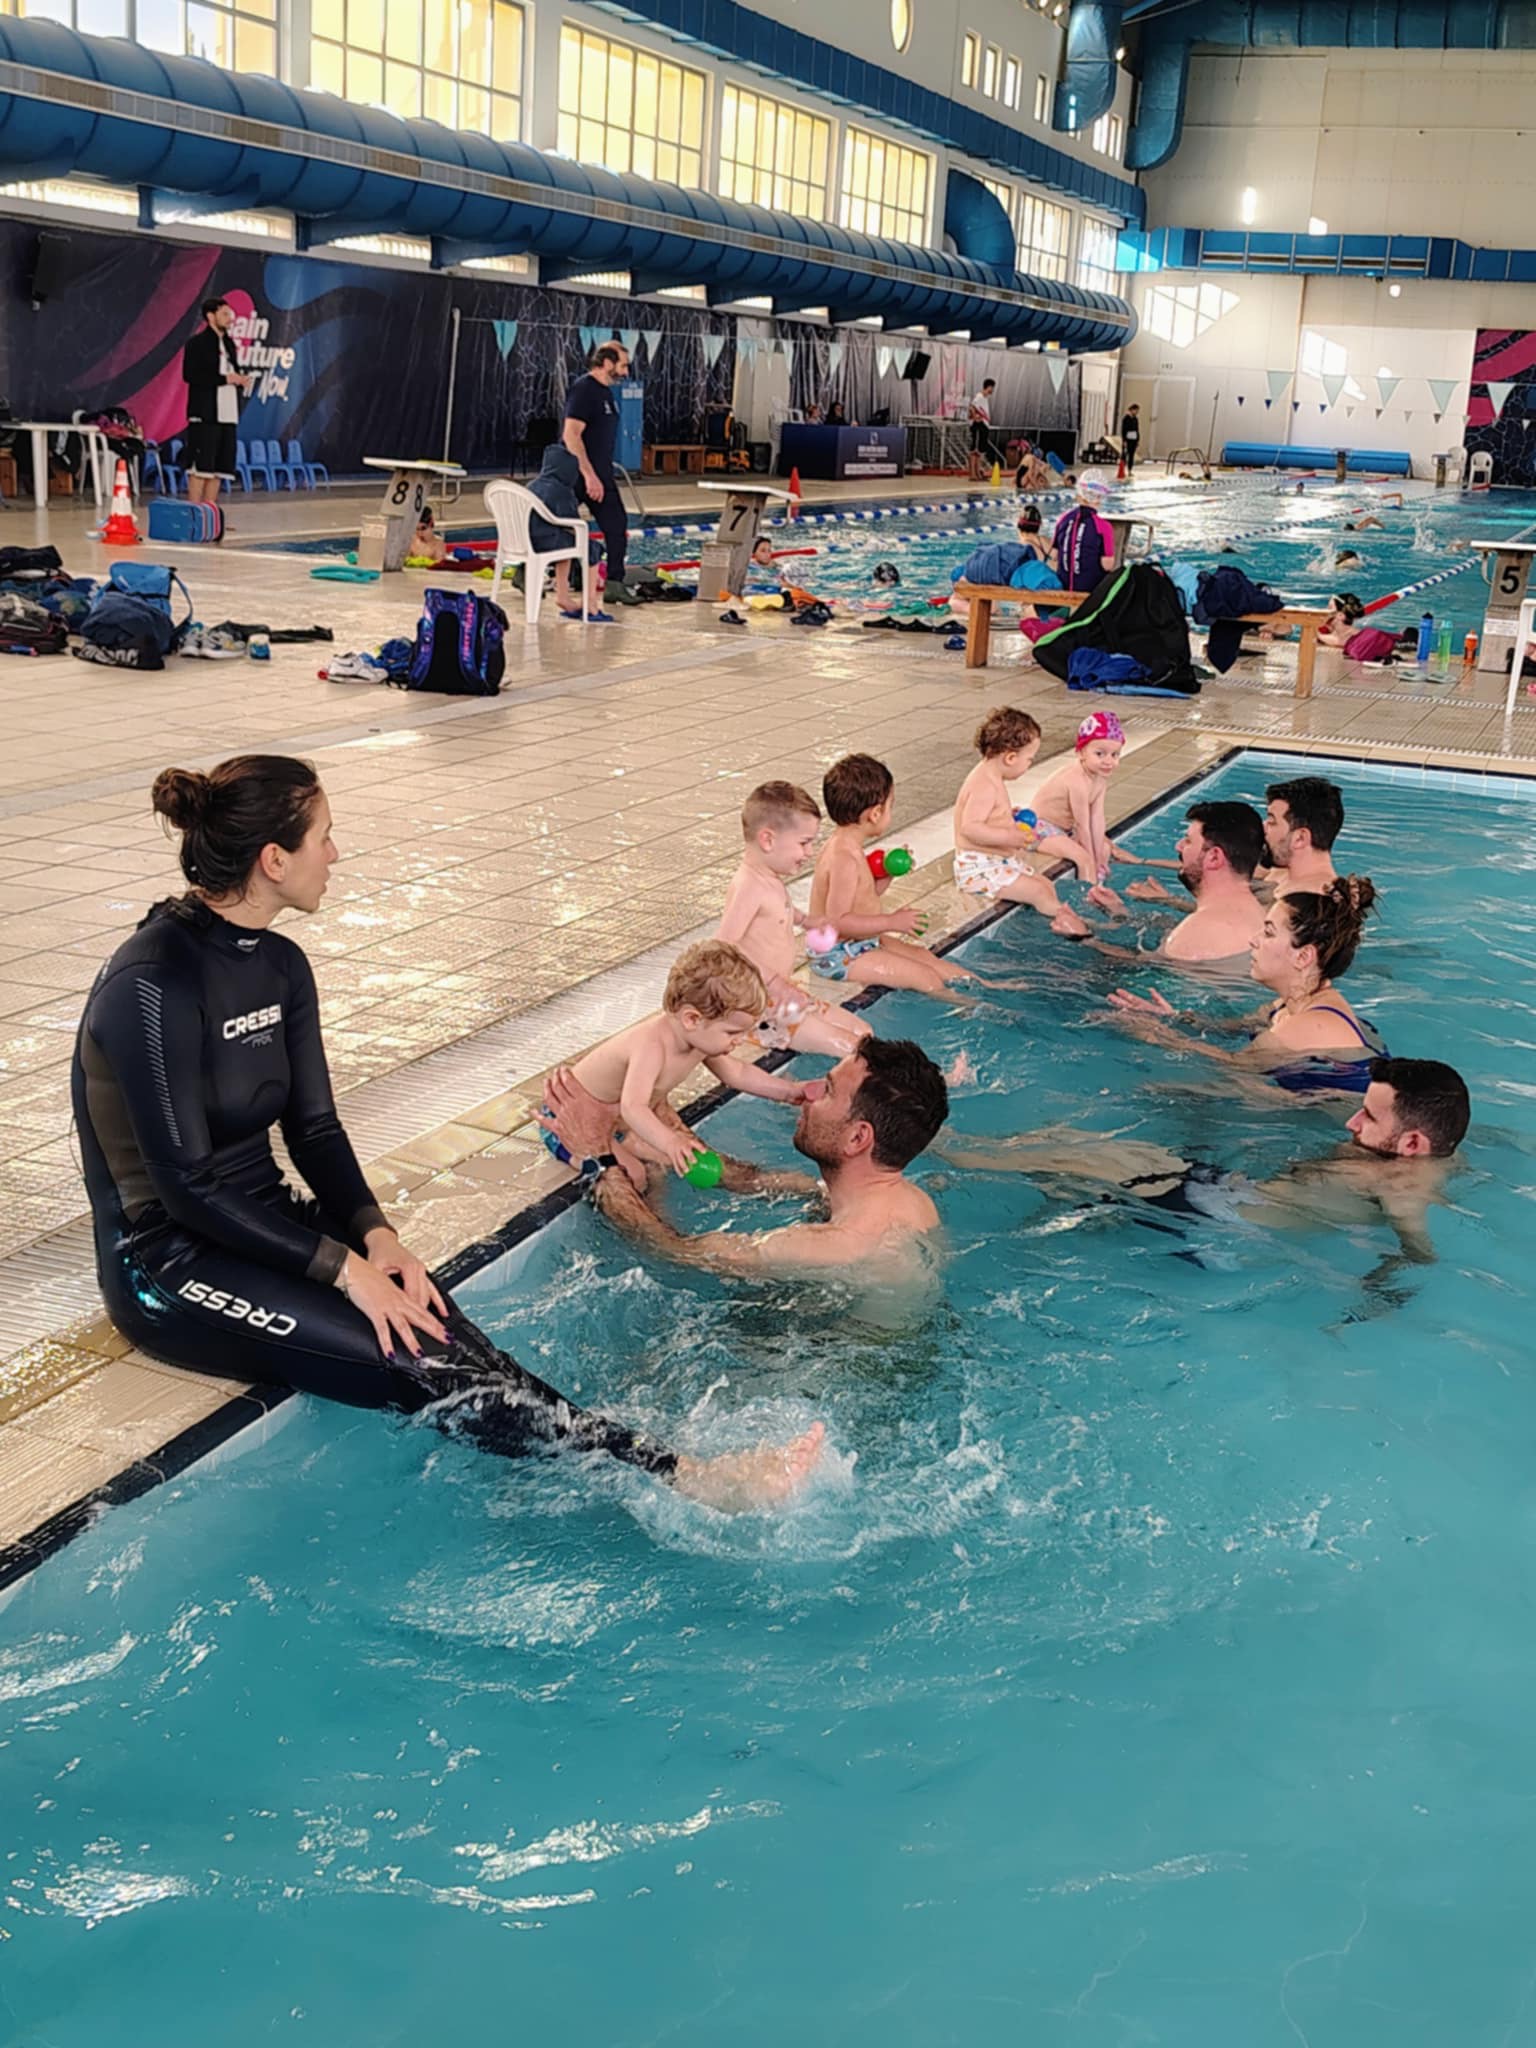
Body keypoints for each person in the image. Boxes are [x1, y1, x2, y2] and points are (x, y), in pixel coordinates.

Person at [72, 754, 823, 1514]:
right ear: (274, 860)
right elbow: (187, 1187)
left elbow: (315, 1129)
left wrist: (377, 1236)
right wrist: (343, 1268)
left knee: (440, 1324)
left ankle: (624, 1463)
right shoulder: (152, 983)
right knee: (412, 1360)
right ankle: (682, 1476)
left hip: (265, 1222)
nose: (335, 853)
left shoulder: (280, 966)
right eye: (324, 837)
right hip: (169, 1261)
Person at [938, 1057, 1470, 1267]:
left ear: (1412, 1144)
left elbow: (1419, 1252)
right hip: (1217, 1189)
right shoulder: (1426, 1157)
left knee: (1060, 1154)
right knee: (1063, 1144)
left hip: (1215, 1219)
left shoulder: (1403, 1184)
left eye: (1368, 1117)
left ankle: (935, 1143)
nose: (1351, 1122)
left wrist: (1366, 1301)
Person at [545, 1038, 948, 1287]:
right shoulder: (907, 1202)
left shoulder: (820, 1246)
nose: (808, 1096)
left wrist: (598, 1158)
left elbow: (673, 1252)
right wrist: (674, 1134)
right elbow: (754, 1180)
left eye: (826, 1092)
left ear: (858, 1138)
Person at [538, 940, 821, 1190]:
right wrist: (670, 1141)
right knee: (635, 1175)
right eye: (732, 1032)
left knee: (665, 1165)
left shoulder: (699, 1039)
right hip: (567, 1119)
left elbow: (738, 1073)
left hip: (618, 1123)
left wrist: (789, 1091)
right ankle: (579, 1158)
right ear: (692, 1018)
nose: (740, 1040)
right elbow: (633, 1107)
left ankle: (626, 1142)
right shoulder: (651, 1047)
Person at [1108, 876, 1387, 1094]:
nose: (1254, 940)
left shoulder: (1305, 1027)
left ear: (1303, 956)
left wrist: (1156, 1035)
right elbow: (1228, 1029)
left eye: (1268, 933)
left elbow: (1232, 1066)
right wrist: (1172, 1018)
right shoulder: (1285, 1007)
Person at [716, 780, 870, 1058]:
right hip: (760, 1007)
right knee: (854, 1049)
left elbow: (782, 910)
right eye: (804, 843)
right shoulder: (749, 885)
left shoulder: (769, 878)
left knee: (864, 1033)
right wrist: (774, 982)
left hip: (781, 997)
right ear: (768, 840)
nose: (809, 852)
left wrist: (808, 921)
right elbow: (725, 946)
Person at [809, 753, 972, 995]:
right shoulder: (843, 858)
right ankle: (967, 1008)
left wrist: (887, 874)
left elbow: (863, 898)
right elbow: (837, 922)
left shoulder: (849, 847)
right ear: (875, 813)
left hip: (860, 941)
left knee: (923, 956)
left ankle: (985, 987)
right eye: (890, 805)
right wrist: (892, 922)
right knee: (924, 976)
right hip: (836, 955)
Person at [950, 706, 1091, 936]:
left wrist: (1007, 816)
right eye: (1029, 759)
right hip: (978, 869)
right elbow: (970, 828)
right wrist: (1008, 836)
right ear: (1010, 758)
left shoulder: (990, 775)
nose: (1029, 765)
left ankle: (1058, 915)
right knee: (1038, 892)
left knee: (1045, 884)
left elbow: (987, 815)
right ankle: (1069, 926)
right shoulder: (984, 785)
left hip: (997, 861)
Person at [1115, 800, 1267, 964]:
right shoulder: (1261, 915)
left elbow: (1138, 968)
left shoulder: (1193, 936)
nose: (1178, 846)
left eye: (1188, 841)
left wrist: (1093, 933)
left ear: (1214, 858)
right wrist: (1120, 913)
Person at [1030, 709, 1144, 907]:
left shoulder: (1099, 780)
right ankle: (1086, 903)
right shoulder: (1076, 781)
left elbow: (1096, 819)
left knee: (1105, 849)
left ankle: (1101, 889)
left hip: (1064, 830)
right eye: (1100, 754)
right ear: (1081, 752)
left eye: (1115, 754)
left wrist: (1100, 856)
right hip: (1039, 829)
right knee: (1084, 859)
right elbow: (1083, 825)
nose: (1108, 761)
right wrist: (1093, 859)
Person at [560, 341, 631, 609]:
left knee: (617, 525)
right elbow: (571, 435)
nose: (626, 373)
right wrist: (588, 475)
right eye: (623, 366)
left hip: (601, 474)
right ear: (607, 363)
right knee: (555, 524)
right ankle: (525, 571)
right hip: (578, 473)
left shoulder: (607, 393)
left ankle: (614, 584)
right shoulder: (584, 389)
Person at [180, 297, 253, 509]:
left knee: (220, 468)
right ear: (211, 316)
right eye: (224, 314)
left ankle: (209, 513)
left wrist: (240, 379)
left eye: (230, 314)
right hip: (206, 413)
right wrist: (224, 379)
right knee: (201, 467)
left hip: (228, 413)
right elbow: (190, 375)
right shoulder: (197, 344)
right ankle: (194, 512)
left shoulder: (229, 344)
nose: (230, 318)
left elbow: (232, 372)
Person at [1262, 775, 1343, 897]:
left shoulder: (1312, 902)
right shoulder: (1282, 875)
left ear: (1300, 838)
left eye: (1272, 821)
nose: (1263, 827)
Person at [1052, 477, 1116, 591]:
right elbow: (1107, 565)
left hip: (1063, 589)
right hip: (1091, 592)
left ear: (1079, 495)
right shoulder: (1103, 526)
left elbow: (1054, 554)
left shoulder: (1062, 519)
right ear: (1099, 497)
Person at [968, 378, 998, 481]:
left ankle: (978, 473)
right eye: (992, 388)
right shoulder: (979, 396)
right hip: (978, 425)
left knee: (980, 451)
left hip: (984, 425)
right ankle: (972, 474)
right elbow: (972, 407)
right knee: (974, 451)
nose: (992, 390)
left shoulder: (985, 398)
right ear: (988, 387)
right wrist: (975, 417)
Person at [1119, 402, 1141, 473]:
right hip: (1127, 439)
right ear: (1132, 410)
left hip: (1134, 439)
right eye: (1136, 410)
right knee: (1124, 455)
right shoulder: (1126, 419)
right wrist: (1124, 440)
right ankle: (1122, 470)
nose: (1137, 412)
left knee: (1131, 455)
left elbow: (1137, 430)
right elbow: (1123, 430)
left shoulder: (1135, 419)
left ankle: (1130, 470)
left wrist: (1138, 440)